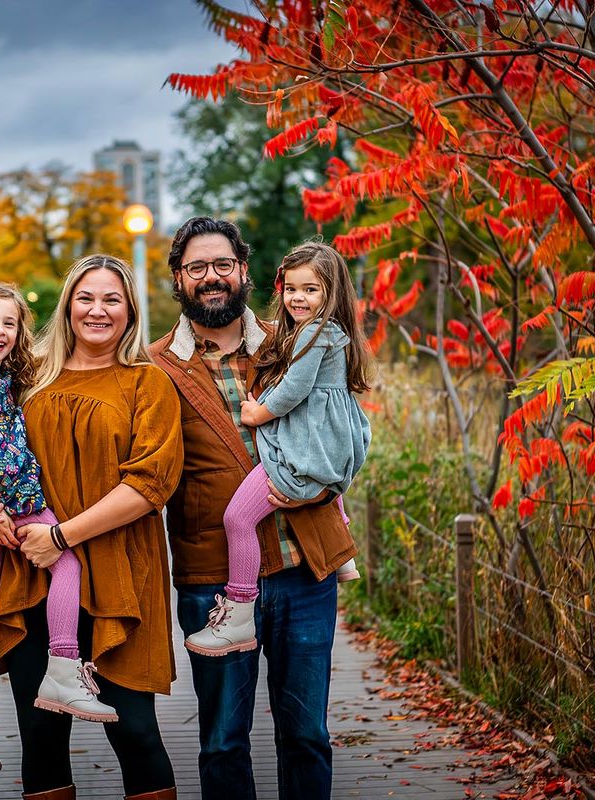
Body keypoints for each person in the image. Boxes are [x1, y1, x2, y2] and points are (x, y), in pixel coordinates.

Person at [0, 255, 183, 800]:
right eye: (85, 298)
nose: (97, 310)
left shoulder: (147, 382)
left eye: (111, 299)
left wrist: (62, 537)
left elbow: (152, 483)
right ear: (67, 306)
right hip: (30, 577)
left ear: (130, 310)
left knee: (135, 730)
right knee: (41, 737)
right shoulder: (28, 375)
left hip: (118, 574)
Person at [149, 218, 364, 800]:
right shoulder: (153, 366)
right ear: (179, 278)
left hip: (303, 570)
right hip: (212, 579)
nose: (212, 278)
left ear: (244, 271)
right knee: (221, 741)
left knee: (307, 736)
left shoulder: (295, 340)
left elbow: (340, 421)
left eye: (223, 265)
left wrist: (326, 483)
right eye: (197, 267)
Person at [0, 279, 118, 772]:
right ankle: (63, 666)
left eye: (9, 324)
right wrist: (10, 507)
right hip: (9, 502)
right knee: (68, 562)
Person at [185, 242, 372, 656]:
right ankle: (343, 553)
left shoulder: (311, 333)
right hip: (327, 437)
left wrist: (258, 413)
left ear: (332, 293)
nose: (297, 299)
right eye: (291, 289)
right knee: (322, 478)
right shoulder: (328, 332)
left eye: (311, 290)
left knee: (237, 518)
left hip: (302, 453)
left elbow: (294, 389)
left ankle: (238, 610)